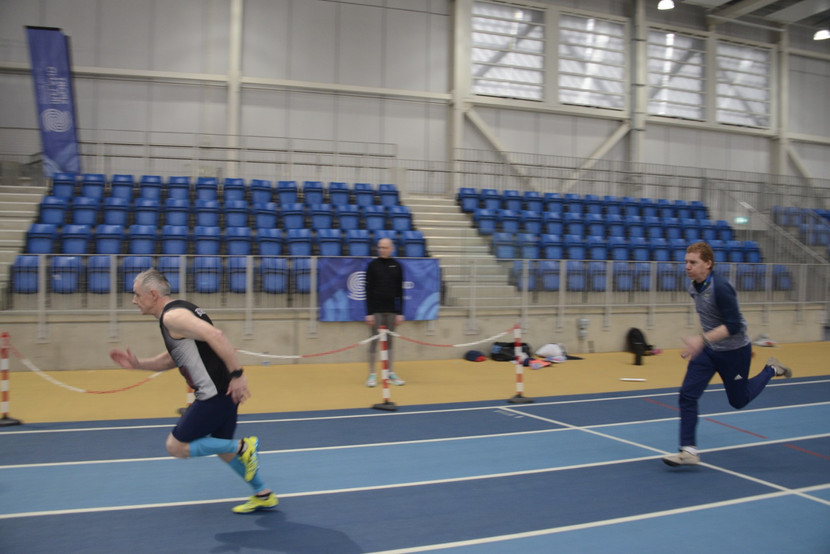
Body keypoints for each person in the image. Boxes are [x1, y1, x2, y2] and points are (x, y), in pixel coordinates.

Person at [109, 268, 278, 513]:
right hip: (224, 392)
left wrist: (238, 375)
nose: (134, 300)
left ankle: (244, 447)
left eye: (136, 295)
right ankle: (263, 494)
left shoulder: (172, 317)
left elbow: (215, 335)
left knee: (175, 447)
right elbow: (172, 358)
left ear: (153, 294)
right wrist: (138, 364)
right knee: (221, 447)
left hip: (214, 394)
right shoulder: (179, 311)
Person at [663, 241, 793, 467]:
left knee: (738, 401)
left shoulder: (721, 288)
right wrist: (700, 344)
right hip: (709, 351)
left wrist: (700, 339)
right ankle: (689, 450)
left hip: (734, 352)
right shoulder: (693, 288)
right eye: (686, 262)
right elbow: (709, 318)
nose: (687, 267)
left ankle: (771, 369)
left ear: (708, 264)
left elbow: (734, 326)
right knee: (687, 395)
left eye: (693, 262)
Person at [364, 237, 406, 387]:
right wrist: (369, 313)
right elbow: (368, 290)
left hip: (392, 311)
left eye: (385, 247)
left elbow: (400, 291)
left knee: (390, 342)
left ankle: (390, 373)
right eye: (380, 247)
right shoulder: (372, 265)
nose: (382, 250)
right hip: (376, 311)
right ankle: (372, 375)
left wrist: (400, 312)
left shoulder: (397, 266)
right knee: (374, 342)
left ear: (391, 249)